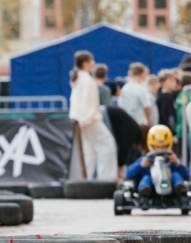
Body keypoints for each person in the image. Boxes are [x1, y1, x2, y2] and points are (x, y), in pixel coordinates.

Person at [68, 50, 118, 180]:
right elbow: (87, 101)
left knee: (88, 149)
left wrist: (80, 119)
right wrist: (86, 120)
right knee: (107, 144)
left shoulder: (78, 78)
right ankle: (106, 179)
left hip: (81, 119)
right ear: (84, 63)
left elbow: (77, 101)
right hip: (89, 120)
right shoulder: (86, 80)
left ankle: (86, 178)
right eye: (91, 61)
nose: (93, 63)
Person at [125, 125, 189, 209]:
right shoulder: (145, 160)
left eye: (163, 147)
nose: (160, 150)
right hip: (152, 190)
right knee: (146, 177)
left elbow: (188, 175)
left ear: (169, 145)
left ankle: (182, 194)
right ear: (151, 145)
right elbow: (128, 173)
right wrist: (140, 166)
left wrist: (178, 164)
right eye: (157, 147)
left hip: (171, 190)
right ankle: (144, 195)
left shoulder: (172, 160)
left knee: (176, 174)